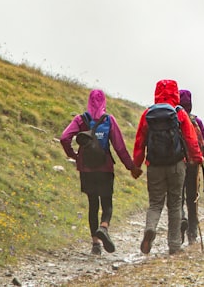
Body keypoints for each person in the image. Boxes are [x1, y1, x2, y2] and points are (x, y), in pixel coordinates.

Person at [60, 89, 142, 255]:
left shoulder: (81, 119)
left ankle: (95, 244)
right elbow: (119, 147)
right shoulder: (109, 120)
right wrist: (131, 167)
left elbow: (64, 138)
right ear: (104, 102)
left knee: (92, 204)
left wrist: (74, 156)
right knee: (107, 203)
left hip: (86, 169)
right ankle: (103, 227)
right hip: (105, 168)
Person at [132, 79, 204, 255]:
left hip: (154, 166)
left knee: (155, 203)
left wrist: (136, 165)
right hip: (177, 165)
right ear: (176, 93)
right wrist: (197, 158)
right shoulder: (179, 113)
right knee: (174, 204)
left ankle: (150, 229)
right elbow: (190, 139)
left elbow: (140, 142)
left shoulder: (148, 114)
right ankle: (174, 245)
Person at [179, 88, 204, 246]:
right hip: (194, 164)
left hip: (178, 163)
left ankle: (181, 219)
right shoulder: (197, 121)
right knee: (192, 198)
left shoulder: (174, 119)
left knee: (179, 196)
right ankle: (192, 233)